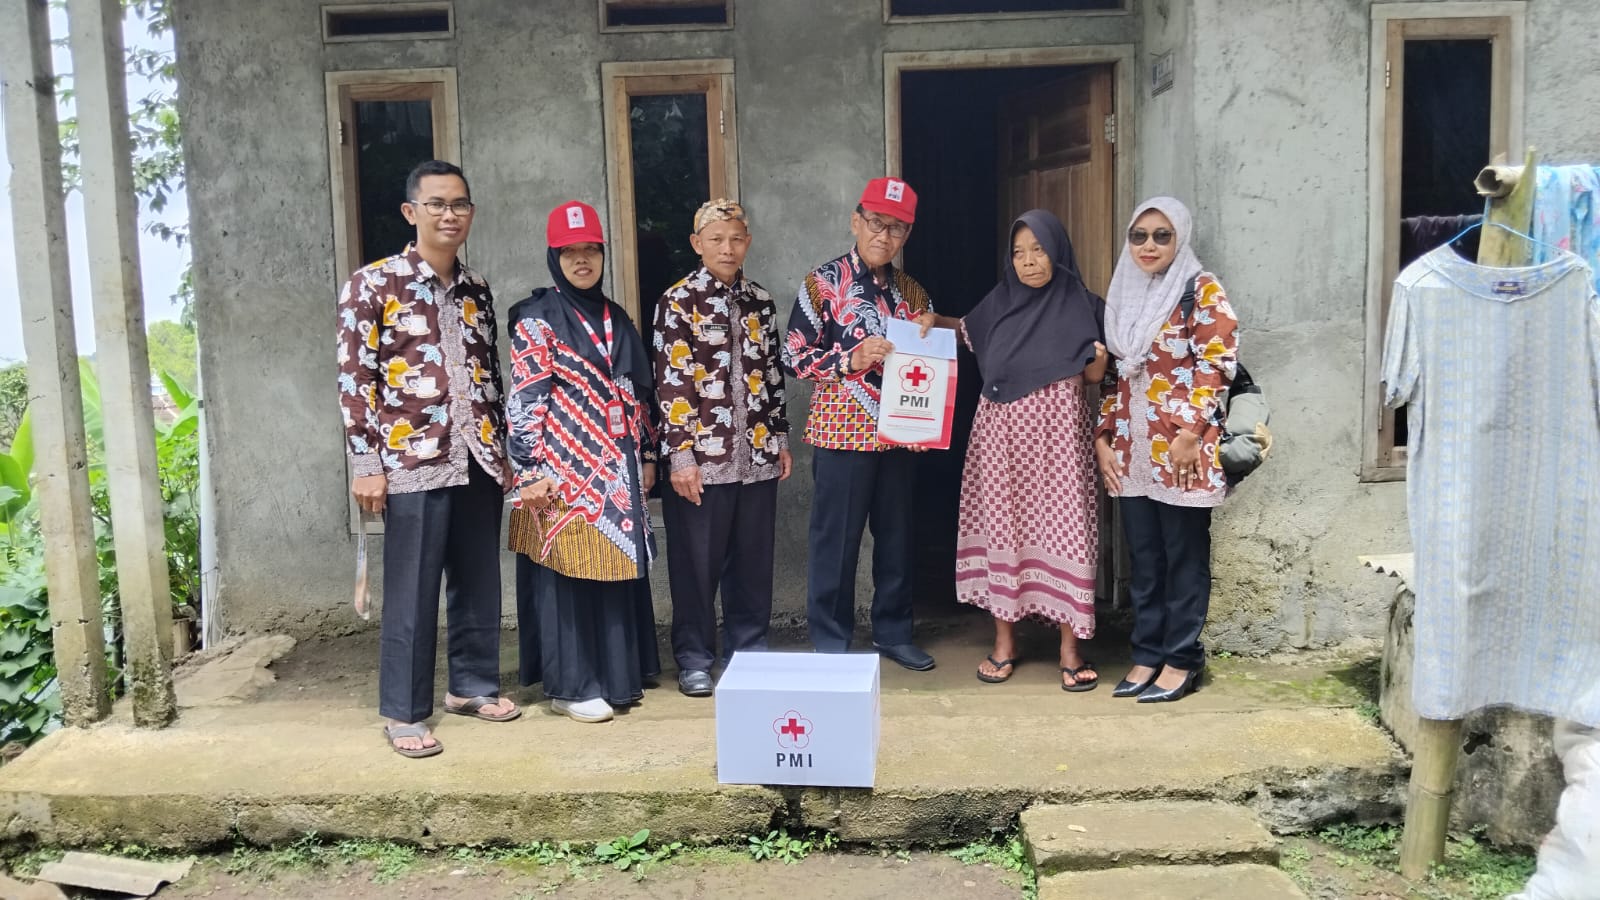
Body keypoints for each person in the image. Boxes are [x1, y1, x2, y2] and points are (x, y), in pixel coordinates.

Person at [336, 159, 520, 759]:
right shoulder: (372, 284)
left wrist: (504, 451)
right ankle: (405, 711)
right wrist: (366, 464)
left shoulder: (479, 289)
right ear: (411, 212)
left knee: (476, 580)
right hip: (410, 462)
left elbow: (489, 372)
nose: (450, 214)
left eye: (460, 204)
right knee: (413, 588)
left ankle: (471, 686)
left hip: (478, 458)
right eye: (437, 204)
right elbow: (355, 378)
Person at [917, 210, 1108, 691]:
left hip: (1060, 441)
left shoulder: (1086, 308)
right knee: (1004, 527)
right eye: (1019, 252)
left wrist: (1096, 373)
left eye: (1038, 249)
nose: (1027, 261)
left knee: (1066, 529)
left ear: (1057, 250)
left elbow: (1098, 371)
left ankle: (1070, 647)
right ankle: (1005, 641)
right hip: (1000, 440)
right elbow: (967, 331)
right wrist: (931, 322)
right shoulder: (1000, 302)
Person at [504, 200, 662, 724]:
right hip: (561, 471)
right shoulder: (536, 318)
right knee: (567, 576)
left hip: (618, 470)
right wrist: (528, 470)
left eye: (590, 250)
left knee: (614, 571)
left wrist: (646, 455)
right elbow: (526, 399)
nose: (581, 261)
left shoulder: (614, 317)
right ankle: (571, 686)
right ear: (554, 256)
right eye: (569, 252)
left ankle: (618, 677)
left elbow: (636, 395)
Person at [782, 177, 936, 671]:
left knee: (896, 538)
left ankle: (893, 632)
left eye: (896, 228)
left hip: (898, 436)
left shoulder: (914, 293)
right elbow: (792, 357)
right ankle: (830, 639)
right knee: (836, 539)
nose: (884, 236)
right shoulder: (821, 284)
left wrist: (922, 424)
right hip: (841, 433)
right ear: (856, 221)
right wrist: (850, 359)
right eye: (876, 223)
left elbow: (928, 367)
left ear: (906, 236)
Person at [1095, 196, 1238, 704]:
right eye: (1140, 236)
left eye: (1162, 235)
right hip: (1133, 452)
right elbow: (1116, 375)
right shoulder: (1127, 296)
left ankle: (1181, 659)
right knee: (1146, 558)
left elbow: (1217, 363)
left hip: (1181, 452)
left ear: (1180, 238)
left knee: (1183, 556)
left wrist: (1191, 432)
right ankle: (1146, 653)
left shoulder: (1199, 289)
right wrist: (1103, 438)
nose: (1149, 246)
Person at [652, 200, 792, 697]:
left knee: (752, 561)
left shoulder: (760, 300)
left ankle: (748, 651)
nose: (727, 248)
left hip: (755, 455)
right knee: (696, 563)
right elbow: (670, 384)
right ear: (697, 245)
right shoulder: (678, 301)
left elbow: (772, 374)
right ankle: (694, 656)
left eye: (735, 239)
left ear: (747, 242)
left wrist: (779, 437)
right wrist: (681, 456)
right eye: (716, 239)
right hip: (702, 461)